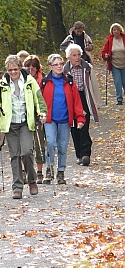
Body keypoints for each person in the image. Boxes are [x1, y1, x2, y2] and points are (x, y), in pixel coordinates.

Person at [0, 55, 47, 199]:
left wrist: (42, 113)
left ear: (20, 68)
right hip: (10, 124)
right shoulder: (2, 84)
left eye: (15, 69)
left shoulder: (29, 81)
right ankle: (17, 187)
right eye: (10, 70)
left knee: (27, 151)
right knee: (15, 155)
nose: (13, 72)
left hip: (26, 122)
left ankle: (32, 180)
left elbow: (39, 99)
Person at [40, 54, 85, 185]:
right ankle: (49, 169)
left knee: (62, 146)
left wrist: (80, 118)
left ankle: (61, 172)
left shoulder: (69, 81)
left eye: (60, 63)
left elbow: (76, 101)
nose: (59, 66)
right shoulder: (44, 82)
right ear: (50, 67)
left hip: (65, 118)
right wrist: (40, 115)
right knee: (50, 142)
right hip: (50, 118)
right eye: (56, 64)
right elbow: (39, 101)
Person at [64, 44, 101, 166]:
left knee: (84, 126)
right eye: (74, 55)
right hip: (70, 100)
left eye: (79, 55)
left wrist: (97, 102)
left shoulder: (87, 67)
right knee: (74, 128)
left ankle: (86, 154)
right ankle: (79, 154)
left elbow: (94, 85)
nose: (77, 57)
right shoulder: (64, 70)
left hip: (84, 98)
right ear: (68, 57)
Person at [23, 55, 46, 183]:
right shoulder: (20, 80)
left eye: (33, 68)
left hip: (37, 115)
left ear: (37, 69)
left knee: (39, 144)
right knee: (24, 147)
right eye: (28, 68)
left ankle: (39, 171)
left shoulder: (42, 80)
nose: (30, 70)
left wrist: (42, 113)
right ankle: (24, 171)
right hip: (24, 115)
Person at [101, 23, 125, 105]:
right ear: (112, 31)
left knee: (124, 81)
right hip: (114, 64)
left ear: (120, 30)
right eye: (114, 30)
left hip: (124, 63)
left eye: (117, 29)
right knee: (117, 81)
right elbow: (104, 52)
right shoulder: (109, 40)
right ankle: (119, 99)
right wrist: (106, 55)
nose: (116, 31)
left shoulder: (124, 38)